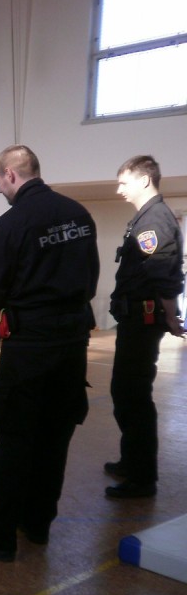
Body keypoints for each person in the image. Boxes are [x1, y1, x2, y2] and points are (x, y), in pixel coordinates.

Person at [0, 144, 99, 562]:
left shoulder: (11, 224)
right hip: (73, 344)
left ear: (11, 175)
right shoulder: (79, 215)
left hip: (30, 344)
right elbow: (91, 277)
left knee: (15, 440)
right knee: (55, 437)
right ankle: (37, 523)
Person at [106, 155, 185, 499]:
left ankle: (142, 478)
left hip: (143, 320)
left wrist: (171, 316)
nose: (119, 189)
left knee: (132, 396)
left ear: (144, 180)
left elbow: (162, 273)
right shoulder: (147, 217)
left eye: (123, 182)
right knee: (126, 393)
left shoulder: (154, 220)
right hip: (135, 319)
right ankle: (131, 462)